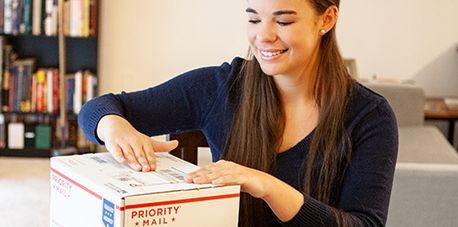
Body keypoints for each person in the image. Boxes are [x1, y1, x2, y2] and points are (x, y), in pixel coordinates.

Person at [78, 0, 398, 226]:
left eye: (283, 21)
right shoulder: (223, 87)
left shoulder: (369, 117)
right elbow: (99, 108)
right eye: (254, 18)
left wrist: (268, 187)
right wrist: (113, 127)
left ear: (326, 19)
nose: (263, 36)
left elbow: (363, 223)